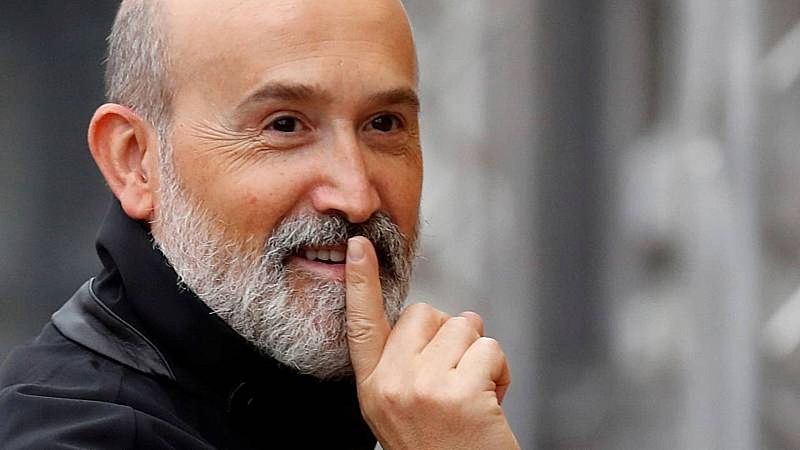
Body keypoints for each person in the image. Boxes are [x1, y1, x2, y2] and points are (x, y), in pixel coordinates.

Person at [0, 0, 519, 448]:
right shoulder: (68, 435)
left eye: (383, 124)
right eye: (285, 126)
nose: (356, 197)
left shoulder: (371, 406)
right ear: (135, 161)